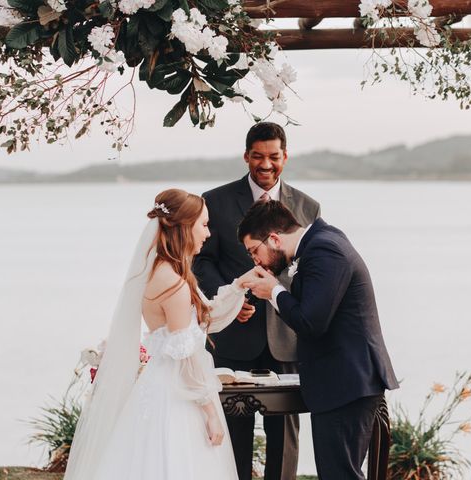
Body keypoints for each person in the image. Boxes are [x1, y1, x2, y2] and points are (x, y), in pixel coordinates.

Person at [64, 188, 261, 480]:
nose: (208, 234)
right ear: (184, 227)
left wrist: (238, 286)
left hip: (158, 387)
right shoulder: (175, 285)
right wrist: (209, 412)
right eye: (204, 225)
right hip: (178, 396)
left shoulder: (159, 272)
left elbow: (203, 320)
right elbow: (186, 356)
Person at [193, 122, 319, 480]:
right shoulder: (214, 202)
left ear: (285, 157)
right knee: (232, 433)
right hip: (233, 337)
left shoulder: (308, 207)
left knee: (286, 438)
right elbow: (201, 260)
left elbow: (310, 268)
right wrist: (230, 300)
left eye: (274, 157)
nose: (266, 165)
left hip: (287, 338)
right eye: (258, 157)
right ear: (246, 156)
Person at [239, 199, 399, 480]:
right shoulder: (322, 241)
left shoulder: (324, 250)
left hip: (348, 383)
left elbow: (312, 322)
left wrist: (274, 292)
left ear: (274, 238)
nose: (256, 260)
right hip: (343, 382)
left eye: (255, 251)